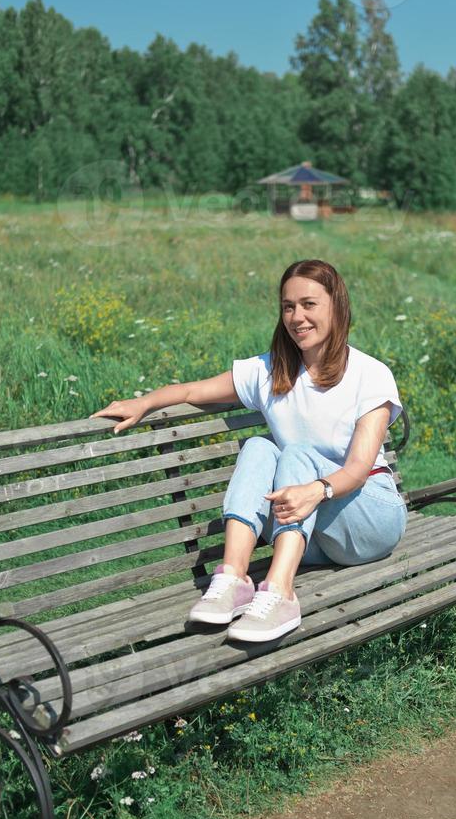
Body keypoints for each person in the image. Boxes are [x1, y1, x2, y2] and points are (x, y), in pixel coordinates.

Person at [91, 259, 408, 645]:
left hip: (369, 519)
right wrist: (144, 403)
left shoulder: (369, 373)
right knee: (259, 446)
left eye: (309, 304)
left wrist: (315, 490)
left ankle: (280, 593)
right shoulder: (271, 371)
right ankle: (234, 580)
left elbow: (358, 470)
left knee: (295, 455)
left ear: (336, 306)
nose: (297, 317)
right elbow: (193, 391)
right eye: (288, 306)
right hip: (309, 537)